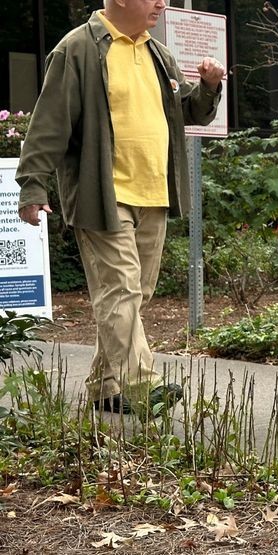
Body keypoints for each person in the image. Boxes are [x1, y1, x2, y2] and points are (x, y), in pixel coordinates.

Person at [15, 0, 224, 414]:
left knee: (132, 296)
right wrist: (33, 185)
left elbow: (184, 113)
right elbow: (49, 123)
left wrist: (209, 87)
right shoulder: (77, 49)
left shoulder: (157, 53)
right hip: (101, 195)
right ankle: (144, 387)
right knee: (121, 291)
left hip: (154, 193)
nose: (162, 3)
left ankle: (103, 386)